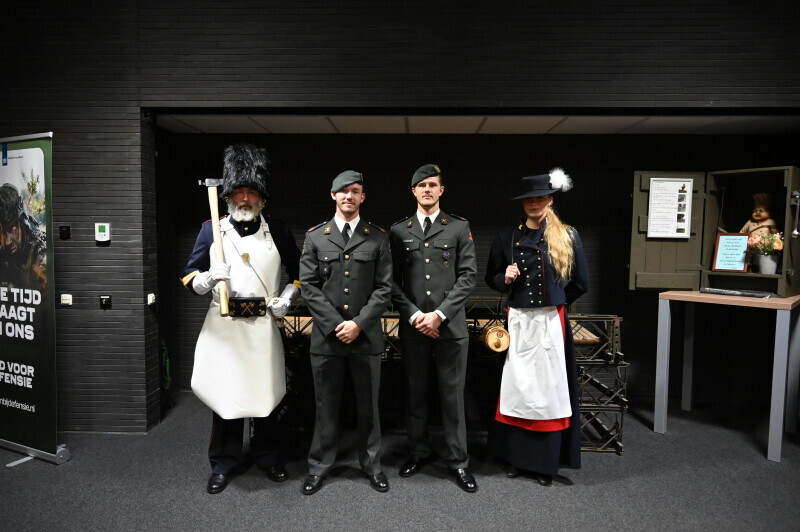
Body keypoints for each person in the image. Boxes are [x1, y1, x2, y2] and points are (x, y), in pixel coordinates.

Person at [180, 144, 301, 494]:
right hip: (225, 327)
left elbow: (299, 273)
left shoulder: (278, 230)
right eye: (239, 192)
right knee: (226, 397)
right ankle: (223, 462)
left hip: (263, 327)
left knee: (267, 396)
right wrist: (207, 278)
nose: (245, 199)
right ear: (229, 196)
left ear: (262, 197)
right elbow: (188, 275)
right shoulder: (212, 229)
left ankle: (268, 456)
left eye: (252, 193)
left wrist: (287, 298)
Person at [485, 168, 588, 486]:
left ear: (550, 200)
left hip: (550, 323)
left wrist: (555, 301)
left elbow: (580, 283)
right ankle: (516, 459)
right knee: (518, 390)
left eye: (541, 198)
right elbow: (491, 277)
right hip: (519, 322)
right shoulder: (506, 237)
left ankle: (545, 464)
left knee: (548, 392)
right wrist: (505, 279)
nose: (535, 203)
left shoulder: (567, 235)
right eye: (529, 199)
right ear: (523, 202)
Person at [299, 170, 392, 495]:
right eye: (343, 191)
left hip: (365, 338)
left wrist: (359, 324)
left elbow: (384, 288)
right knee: (325, 406)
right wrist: (335, 325)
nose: (349, 196)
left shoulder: (377, 237)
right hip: (327, 339)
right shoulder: (316, 237)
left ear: (362, 197)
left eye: (355, 191)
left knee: (369, 407)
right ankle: (319, 466)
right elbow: (308, 286)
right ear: (333, 195)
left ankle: (372, 465)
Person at [389, 164, 478, 492]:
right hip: (414, 328)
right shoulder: (398, 231)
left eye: (432, 185)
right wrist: (415, 316)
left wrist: (439, 315)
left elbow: (468, 276)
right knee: (416, 394)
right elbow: (390, 281)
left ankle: (458, 461)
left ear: (441, 190)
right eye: (421, 185)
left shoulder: (458, 227)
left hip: (450, 329)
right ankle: (418, 452)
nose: (427, 190)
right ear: (413, 191)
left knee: (453, 397)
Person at [0, 183, 46, 292]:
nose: (6, 241)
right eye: (1, 234)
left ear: (22, 223)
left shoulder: (40, 256)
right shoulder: (3, 255)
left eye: (10, 230)